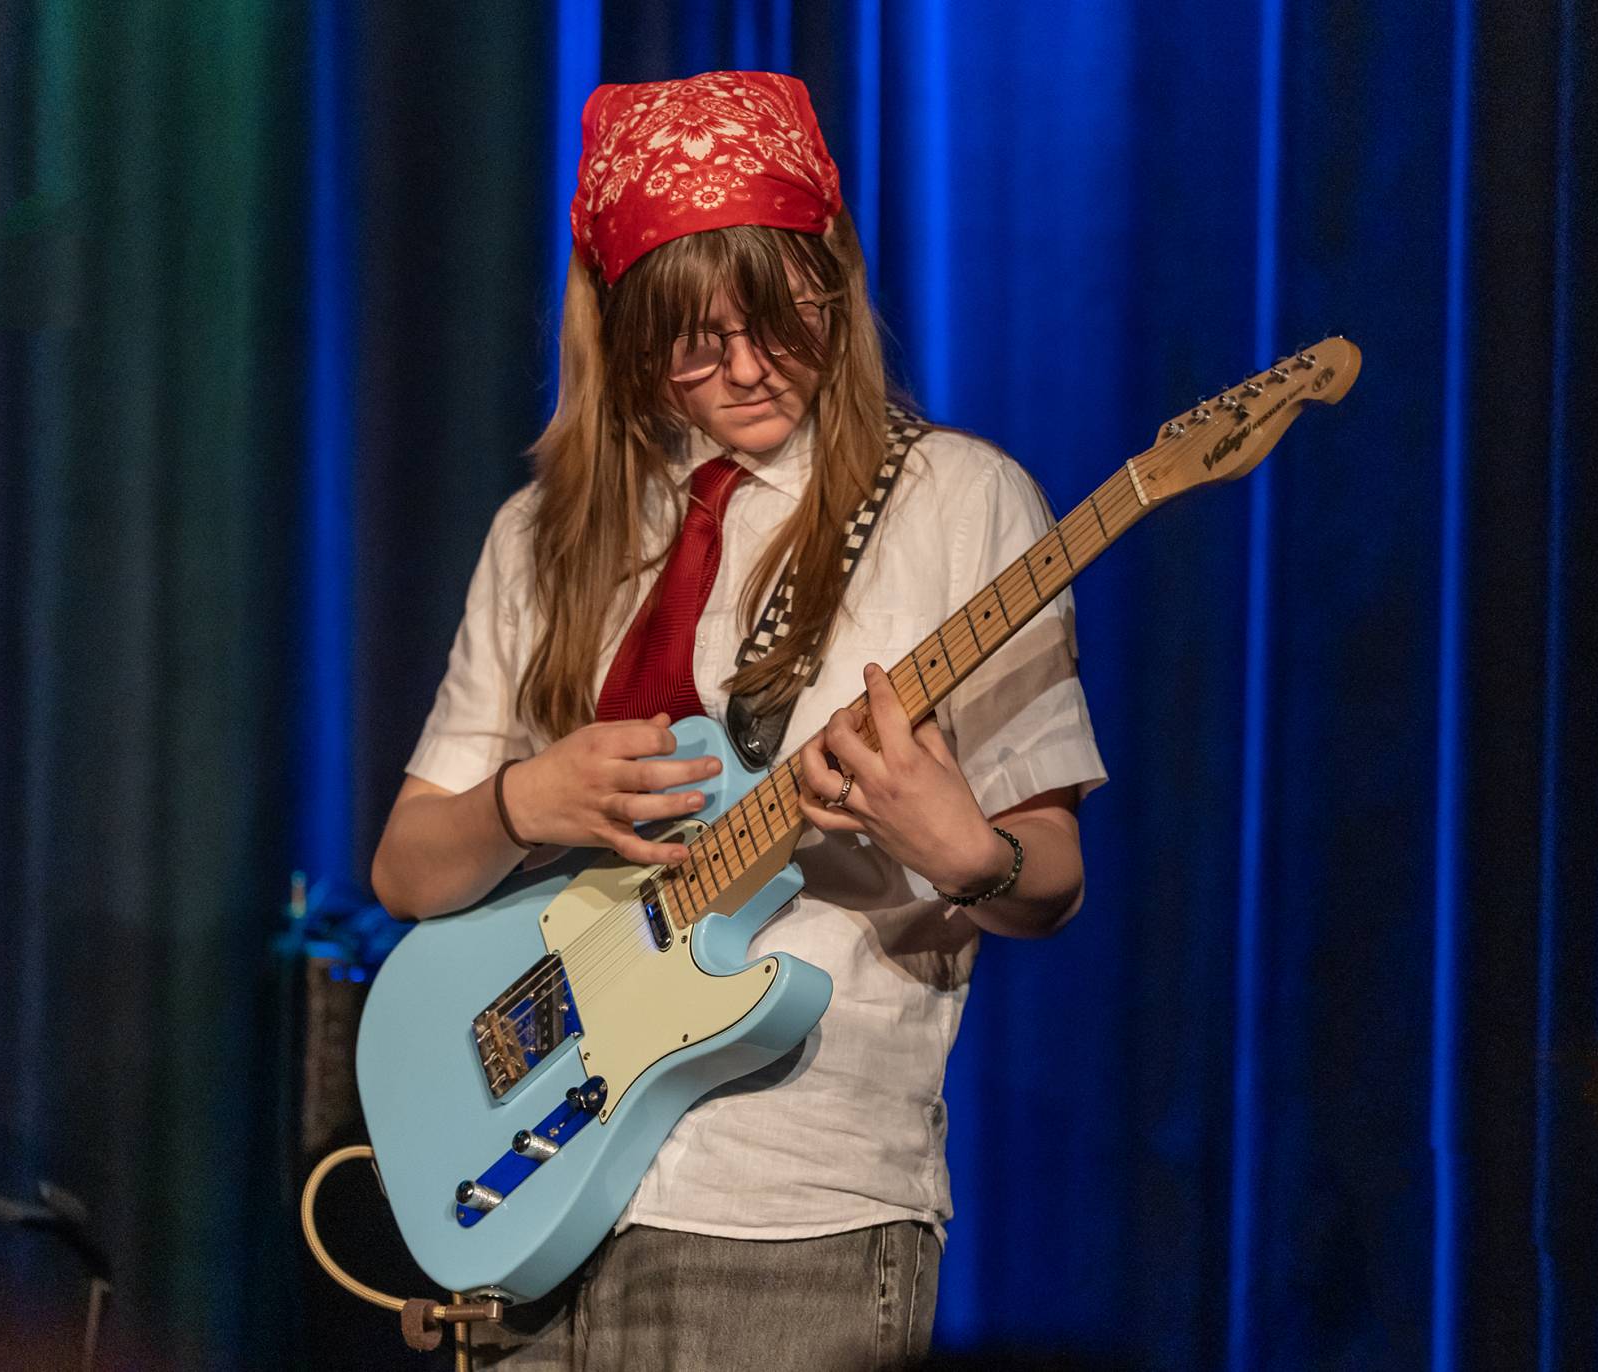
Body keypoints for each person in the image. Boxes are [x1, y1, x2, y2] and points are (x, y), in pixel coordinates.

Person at [371, 70, 1107, 1370]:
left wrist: (966, 853)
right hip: (539, 1201)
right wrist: (524, 803)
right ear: (622, 332)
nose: (749, 369)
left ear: (835, 282)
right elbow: (410, 871)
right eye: (694, 341)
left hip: (792, 1209)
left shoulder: (959, 501)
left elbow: (1048, 878)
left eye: (777, 318)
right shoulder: (541, 536)